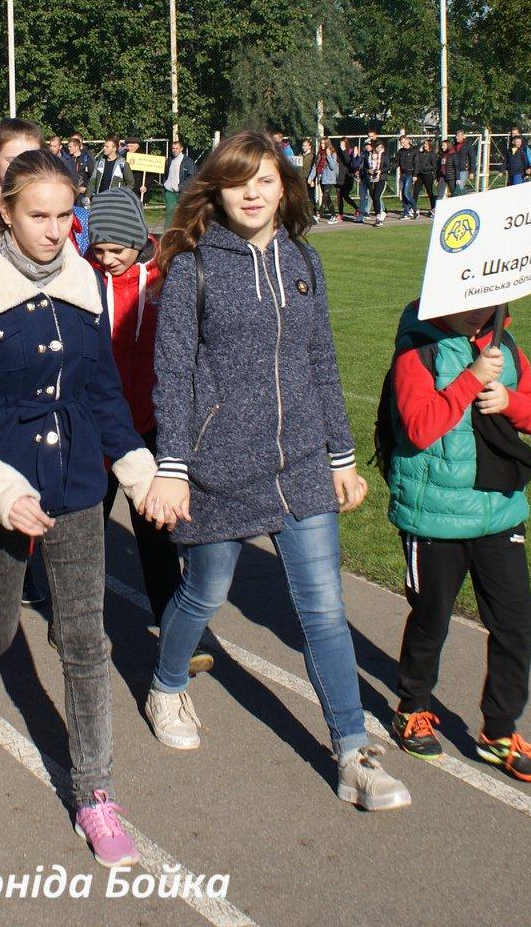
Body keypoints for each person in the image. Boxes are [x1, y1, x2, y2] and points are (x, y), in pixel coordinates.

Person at [138, 130, 412, 812]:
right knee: (204, 594)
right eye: (239, 181)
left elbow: (321, 362)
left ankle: (352, 751)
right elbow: (172, 378)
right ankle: (167, 685)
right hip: (219, 469)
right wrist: (172, 468)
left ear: (285, 186)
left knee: (323, 608)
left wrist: (343, 459)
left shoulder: (305, 262)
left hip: (301, 469)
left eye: (266, 179)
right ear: (216, 191)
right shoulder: (193, 269)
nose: (254, 192)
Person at [0, 155, 158, 868]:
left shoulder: (84, 279)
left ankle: (95, 793)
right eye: (40, 215)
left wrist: (137, 469)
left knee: (86, 640)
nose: (58, 231)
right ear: (3, 208)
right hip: (1, 493)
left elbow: (100, 390)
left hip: (77, 489)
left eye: (67, 215)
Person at [378, 299, 531, 784]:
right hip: (434, 518)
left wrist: (510, 402)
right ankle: (412, 707)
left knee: (516, 624)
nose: (482, 314)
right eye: (471, 304)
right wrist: (472, 378)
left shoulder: (505, 347)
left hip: (499, 511)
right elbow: (419, 427)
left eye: (491, 305)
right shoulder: (419, 351)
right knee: (432, 619)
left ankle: (499, 732)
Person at [86, 186, 190, 635]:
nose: (107, 258)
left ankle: (173, 623)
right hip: (96, 427)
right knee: (88, 533)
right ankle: (78, 620)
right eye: (98, 249)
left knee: (156, 531)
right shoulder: (83, 279)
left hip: (149, 424)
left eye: (116, 249)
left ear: (138, 239)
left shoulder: (167, 276)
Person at [161, 136, 197, 221]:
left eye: (177, 148)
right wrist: (165, 184)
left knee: (183, 215)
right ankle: (168, 233)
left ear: (181, 149)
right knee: (169, 215)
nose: (174, 150)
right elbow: (165, 174)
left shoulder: (188, 162)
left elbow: (193, 177)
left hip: (182, 192)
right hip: (170, 192)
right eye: (173, 148)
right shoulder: (169, 160)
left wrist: (181, 186)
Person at [358, 138, 387, 224]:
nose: (367, 147)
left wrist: (380, 171)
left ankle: (380, 215)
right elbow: (364, 167)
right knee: (373, 197)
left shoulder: (383, 155)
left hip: (381, 178)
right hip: (370, 179)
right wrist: (368, 171)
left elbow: (388, 166)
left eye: (369, 145)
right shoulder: (367, 155)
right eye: (366, 145)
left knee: (376, 196)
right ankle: (379, 214)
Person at [395, 135, 419, 219]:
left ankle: (415, 208)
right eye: (401, 143)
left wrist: (415, 175)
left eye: (403, 142)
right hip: (403, 174)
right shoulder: (400, 151)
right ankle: (406, 212)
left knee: (406, 192)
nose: (402, 144)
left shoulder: (414, 150)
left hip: (410, 173)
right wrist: (390, 168)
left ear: (408, 140)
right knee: (403, 194)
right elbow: (397, 162)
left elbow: (416, 163)